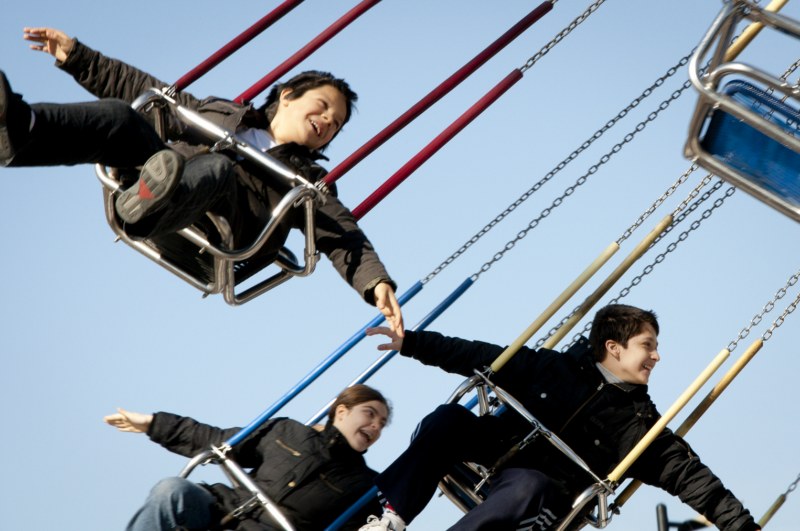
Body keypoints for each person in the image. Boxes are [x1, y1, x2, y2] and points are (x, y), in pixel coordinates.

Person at [0, 27, 403, 336]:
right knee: (122, 117)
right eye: (324, 106)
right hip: (161, 185)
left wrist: (375, 282)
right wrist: (78, 58)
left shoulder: (309, 182)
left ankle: (148, 200)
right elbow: (144, 89)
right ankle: (19, 130)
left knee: (217, 169)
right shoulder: (220, 114)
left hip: (213, 234)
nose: (328, 122)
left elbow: (344, 236)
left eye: (336, 125)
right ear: (287, 95)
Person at [358, 304, 761, 531]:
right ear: (614, 347)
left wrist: (744, 528)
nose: (657, 356)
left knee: (529, 484)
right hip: (493, 453)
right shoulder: (553, 368)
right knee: (448, 419)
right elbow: (477, 355)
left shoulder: (641, 426)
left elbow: (697, 482)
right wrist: (411, 343)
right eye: (647, 346)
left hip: (540, 495)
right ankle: (390, 518)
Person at [104, 384, 391, 530]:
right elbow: (216, 440)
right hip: (224, 508)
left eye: (382, 423)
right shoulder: (287, 431)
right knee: (172, 490)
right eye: (370, 414)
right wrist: (154, 423)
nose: (376, 426)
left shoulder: (364, 485)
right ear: (342, 411)